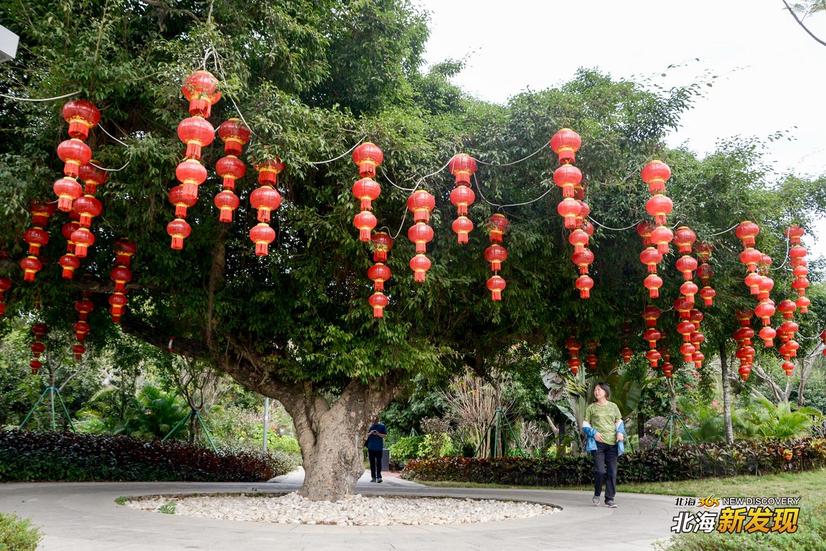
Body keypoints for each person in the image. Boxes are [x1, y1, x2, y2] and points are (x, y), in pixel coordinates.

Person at [582, 382, 625, 508]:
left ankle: (609, 499)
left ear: (606, 392)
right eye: (595, 390)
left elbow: (619, 422)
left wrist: (620, 432)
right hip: (597, 444)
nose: (596, 392)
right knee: (600, 471)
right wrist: (593, 433)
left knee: (612, 472)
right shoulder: (591, 408)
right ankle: (597, 493)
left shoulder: (613, 406)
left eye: (599, 390)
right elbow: (585, 425)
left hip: (612, 444)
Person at [365, 417, 387, 483]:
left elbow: (384, 436)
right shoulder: (369, 426)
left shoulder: (382, 426)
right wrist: (370, 433)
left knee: (379, 462)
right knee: (372, 463)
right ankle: (373, 477)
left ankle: (379, 477)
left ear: (378, 418)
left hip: (379, 448)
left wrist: (378, 433)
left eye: (376, 418)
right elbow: (364, 435)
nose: (375, 419)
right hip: (371, 447)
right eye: (374, 418)